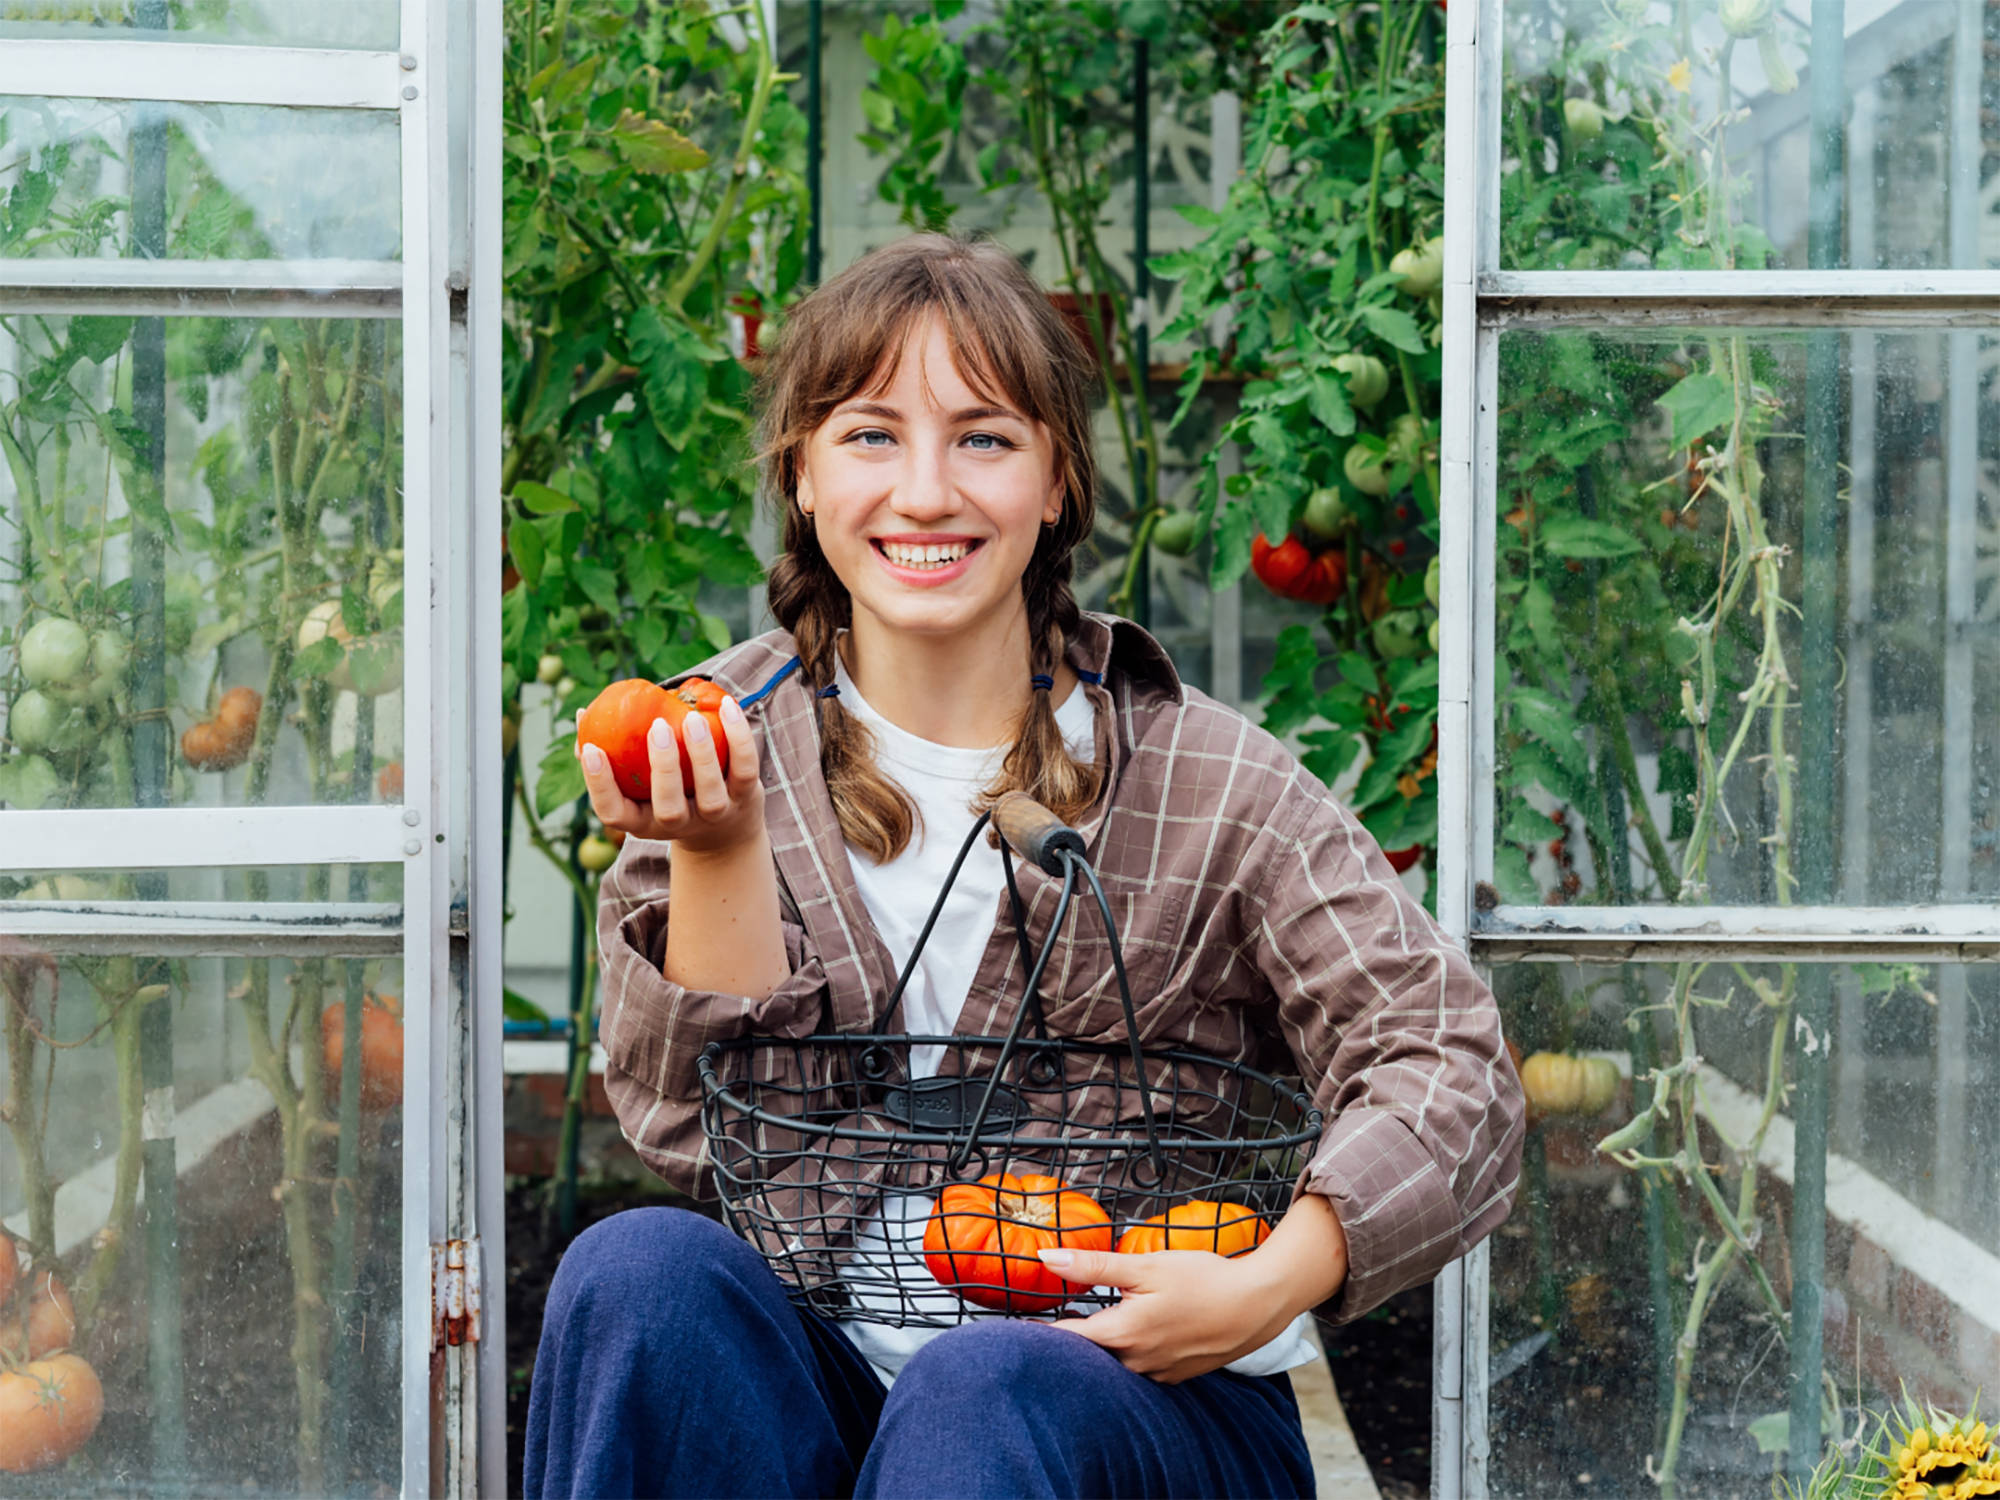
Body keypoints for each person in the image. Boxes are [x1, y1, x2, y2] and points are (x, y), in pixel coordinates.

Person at [524, 233, 1523, 1500]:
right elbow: (693, 1138)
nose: (925, 492)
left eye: (984, 438)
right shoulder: (713, 742)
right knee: (637, 1276)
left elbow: (1449, 1060)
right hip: (821, 1383)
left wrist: (1270, 1279)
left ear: (1055, 482)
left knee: (981, 1382)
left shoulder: (1209, 779)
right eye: (871, 436)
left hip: (1139, 1404)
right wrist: (718, 847)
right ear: (803, 475)